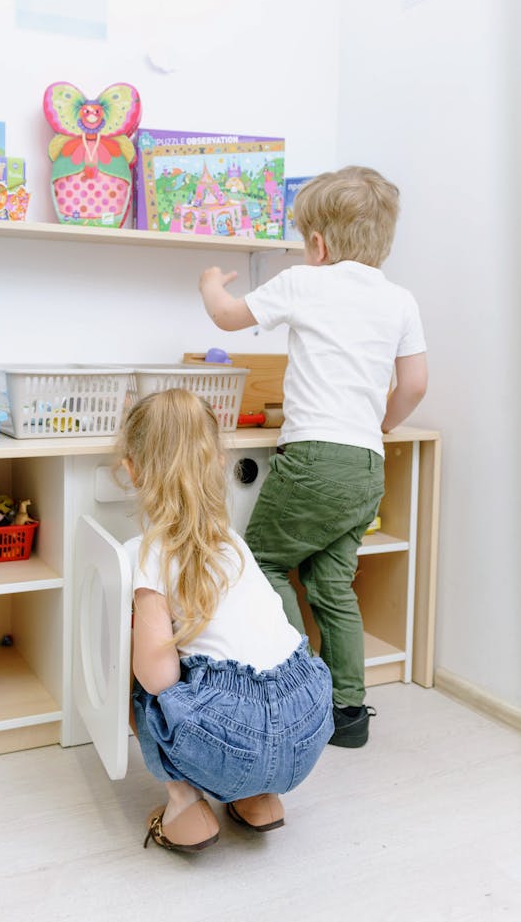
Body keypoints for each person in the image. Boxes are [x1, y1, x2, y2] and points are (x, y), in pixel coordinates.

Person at [199, 165, 428, 749]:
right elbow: (414, 384)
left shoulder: (304, 282)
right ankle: (348, 712)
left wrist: (211, 283)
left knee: (263, 563)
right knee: (332, 586)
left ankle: (295, 689)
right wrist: (381, 425)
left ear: (318, 245)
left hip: (313, 459)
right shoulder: (400, 300)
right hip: (367, 465)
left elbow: (227, 317)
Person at [119, 388, 334, 853]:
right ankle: (260, 798)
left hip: (234, 738)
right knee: (243, 690)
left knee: (137, 683)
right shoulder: (234, 543)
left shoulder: (152, 553)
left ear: (131, 470)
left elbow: (157, 678)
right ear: (218, 462)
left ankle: (185, 805)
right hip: (309, 721)